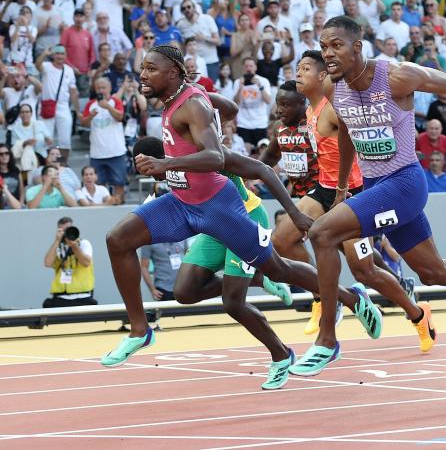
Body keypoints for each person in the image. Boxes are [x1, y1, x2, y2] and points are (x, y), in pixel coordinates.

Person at [290, 15, 446, 376]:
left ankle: (327, 341)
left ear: (357, 47)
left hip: (405, 183)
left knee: (322, 233)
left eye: (336, 46)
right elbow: (346, 132)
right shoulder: (334, 87)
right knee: (432, 272)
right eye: (324, 46)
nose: (328, 53)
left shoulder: (396, 76)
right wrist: (343, 187)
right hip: (375, 187)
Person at [99, 45, 366, 368]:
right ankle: (140, 330)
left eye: (151, 69)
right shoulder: (181, 98)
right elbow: (230, 108)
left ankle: (349, 298)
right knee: (118, 239)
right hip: (182, 202)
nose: (142, 75)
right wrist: (202, 97)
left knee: (277, 270)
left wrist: (166, 162)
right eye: (143, 68)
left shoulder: (192, 105)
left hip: (219, 208)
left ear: (172, 73)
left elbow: (216, 157)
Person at [133, 135, 382, 390]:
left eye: (150, 170)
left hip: (246, 219)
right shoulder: (168, 172)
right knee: (185, 292)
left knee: (239, 298)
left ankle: (283, 353)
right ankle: (259, 279)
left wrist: (295, 214)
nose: (155, 179)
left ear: (159, 158)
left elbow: (264, 170)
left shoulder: (206, 152)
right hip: (213, 225)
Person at [290, 50, 425, 342]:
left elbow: (352, 139)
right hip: (325, 190)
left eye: (305, 69)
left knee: (364, 270)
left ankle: (415, 312)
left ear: (323, 76)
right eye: (297, 68)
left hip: (353, 192)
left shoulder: (334, 108)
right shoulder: (309, 111)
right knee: (283, 238)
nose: (297, 73)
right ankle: (329, 296)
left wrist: (346, 187)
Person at [43, 216, 96, 307]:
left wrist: (74, 246)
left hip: (83, 296)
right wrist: (57, 241)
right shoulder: (58, 247)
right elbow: (47, 263)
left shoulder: (83, 243)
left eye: (68, 229)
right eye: (63, 230)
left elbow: (86, 262)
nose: (66, 233)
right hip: (60, 297)